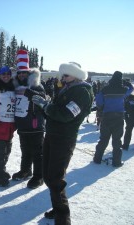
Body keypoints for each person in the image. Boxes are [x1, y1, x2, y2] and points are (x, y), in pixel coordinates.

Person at [32, 62, 94, 225]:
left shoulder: (82, 92)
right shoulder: (67, 88)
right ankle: (57, 208)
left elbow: (66, 115)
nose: (62, 78)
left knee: (55, 179)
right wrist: (43, 107)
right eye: (62, 75)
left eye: (66, 75)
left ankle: (63, 218)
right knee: (47, 175)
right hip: (52, 135)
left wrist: (46, 106)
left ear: (77, 75)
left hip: (64, 138)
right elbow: (55, 113)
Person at [12, 49, 46, 189]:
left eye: (24, 72)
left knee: (38, 153)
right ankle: (26, 170)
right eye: (19, 73)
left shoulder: (36, 85)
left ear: (29, 73)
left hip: (35, 126)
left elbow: (43, 99)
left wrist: (28, 92)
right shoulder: (15, 86)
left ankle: (39, 176)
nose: (21, 75)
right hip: (22, 125)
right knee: (25, 150)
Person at [93, 71, 133, 167]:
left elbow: (99, 102)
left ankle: (97, 159)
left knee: (103, 139)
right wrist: (127, 83)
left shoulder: (105, 89)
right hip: (119, 117)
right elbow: (131, 89)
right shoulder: (123, 89)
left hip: (107, 117)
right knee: (117, 140)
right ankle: (116, 162)